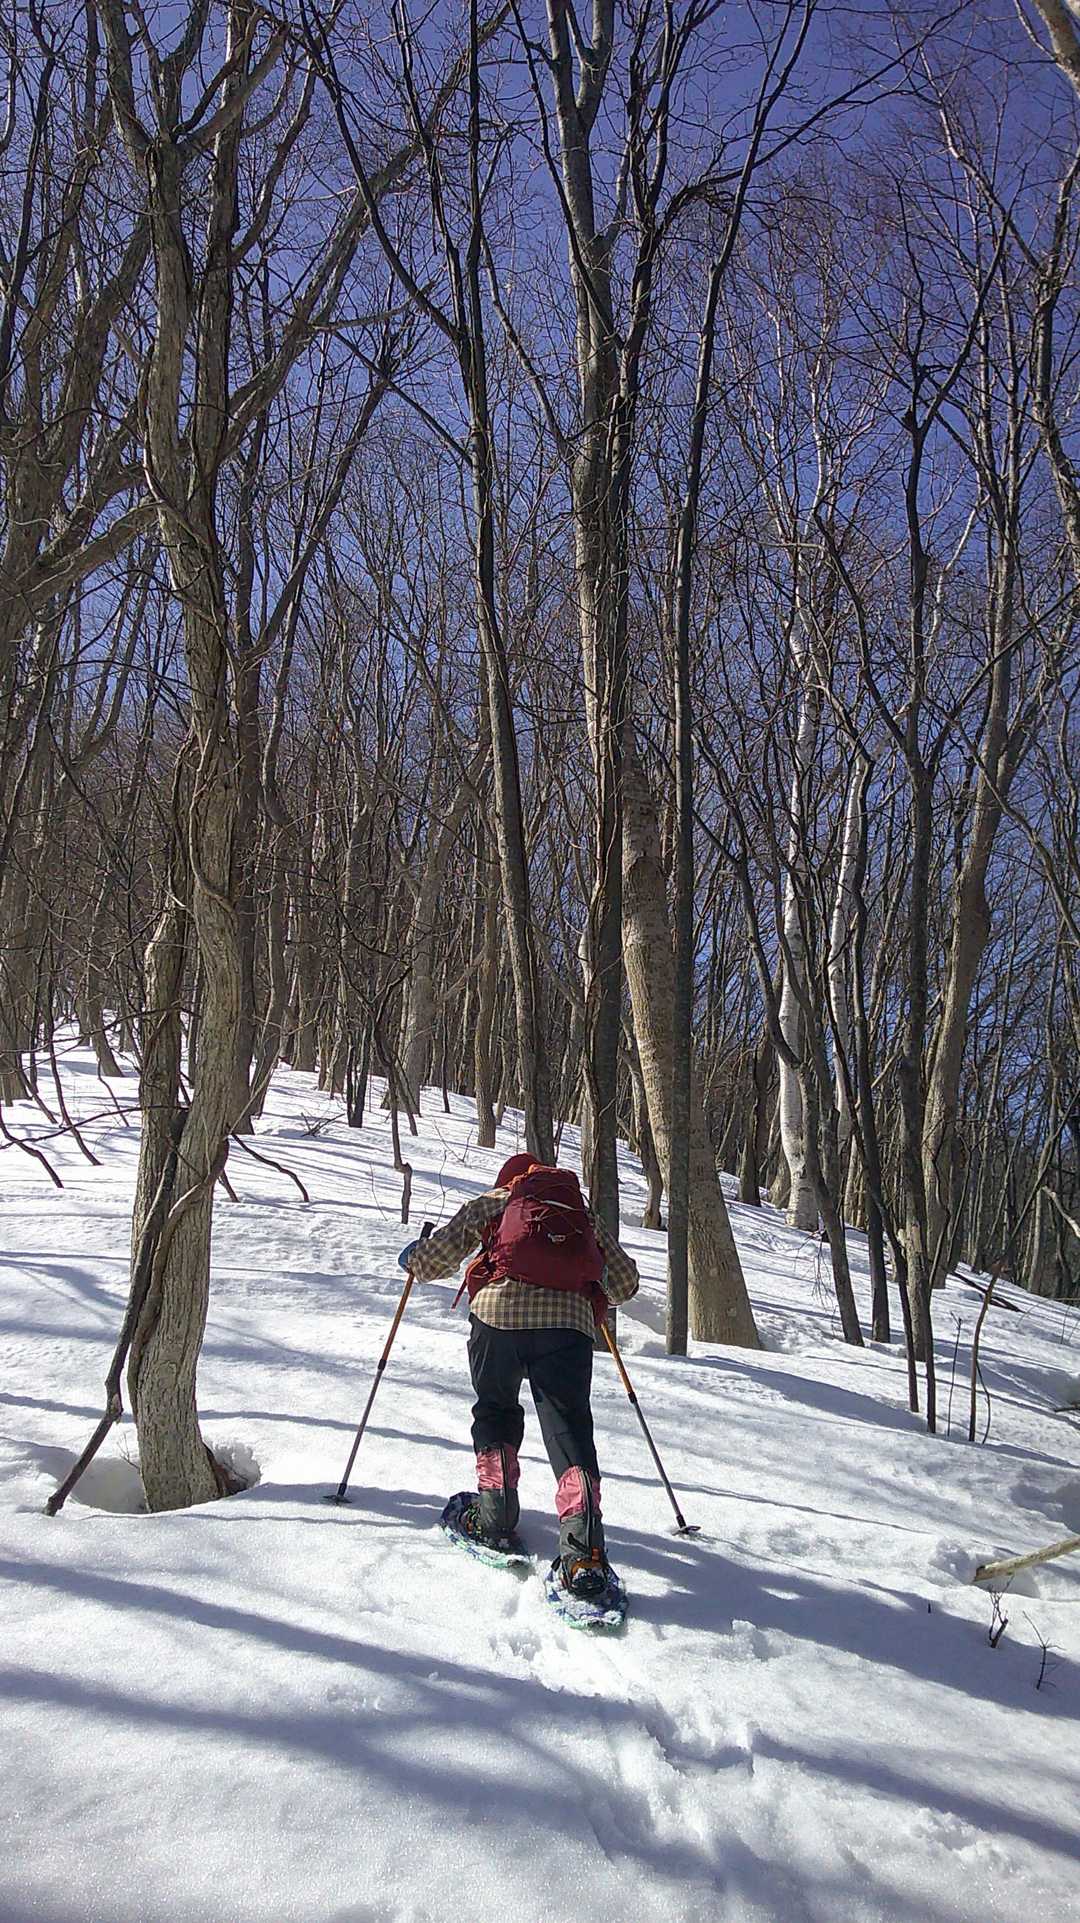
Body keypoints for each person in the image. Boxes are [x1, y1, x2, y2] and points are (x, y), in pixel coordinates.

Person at [400, 1153, 639, 1598]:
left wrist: (413, 1256)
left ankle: (495, 1516)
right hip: (567, 1329)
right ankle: (583, 1553)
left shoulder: (495, 1202)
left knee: (495, 1411)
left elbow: (432, 1263)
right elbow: (625, 1284)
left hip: (496, 1320)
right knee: (569, 1431)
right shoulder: (581, 1215)